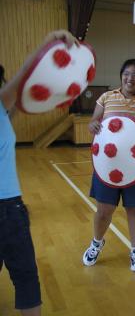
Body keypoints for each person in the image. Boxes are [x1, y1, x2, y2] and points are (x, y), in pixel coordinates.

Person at [0, 30, 78, 316]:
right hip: (6, 207)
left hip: (8, 207)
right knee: (25, 277)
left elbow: (11, 111)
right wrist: (50, 40)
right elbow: (24, 76)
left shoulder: (2, 113)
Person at [82, 58, 135, 272]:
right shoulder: (107, 96)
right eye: (127, 74)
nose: (131, 78)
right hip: (107, 165)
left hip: (134, 167)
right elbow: (95, 120)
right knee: (104, 210)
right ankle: (96, 242)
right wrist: (92, 124)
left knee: (133, 209)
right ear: (121, 75)